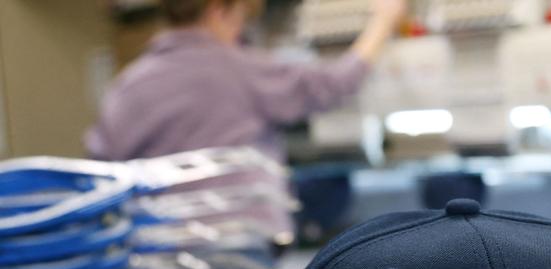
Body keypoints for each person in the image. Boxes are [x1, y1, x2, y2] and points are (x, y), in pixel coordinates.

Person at [87, 0, 407, 164]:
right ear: (219, 10)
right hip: (240, 259)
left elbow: (101, 164)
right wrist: (383, 21)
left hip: (152, 265)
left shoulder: (127, 86)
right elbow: (337, 83)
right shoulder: (241, 70)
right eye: (241, 15)